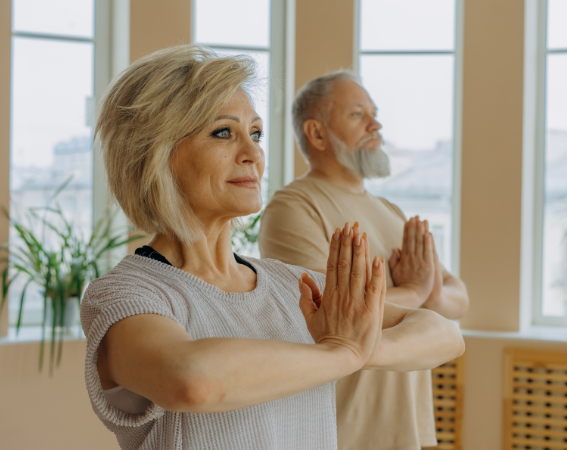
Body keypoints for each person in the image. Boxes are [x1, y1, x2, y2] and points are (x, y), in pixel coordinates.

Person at [81, 46, 464, 450]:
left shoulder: (288, 284)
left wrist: (359, 347)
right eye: (224, 132)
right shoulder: (126, 296)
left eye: (257, 134)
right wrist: (342, 351)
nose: (254, 154)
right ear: (155, 152)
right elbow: (191, 380)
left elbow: (444, 334)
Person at [259, 70, 470, 450]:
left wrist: (430, 294)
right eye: (358, 115)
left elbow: (458, 298)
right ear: (317, 133)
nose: (376, 125)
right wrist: (415, 290)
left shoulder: (389, 210)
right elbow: (329, 310)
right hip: (337, 430)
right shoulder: (292, 207)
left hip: (406, 430)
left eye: (374, 113)